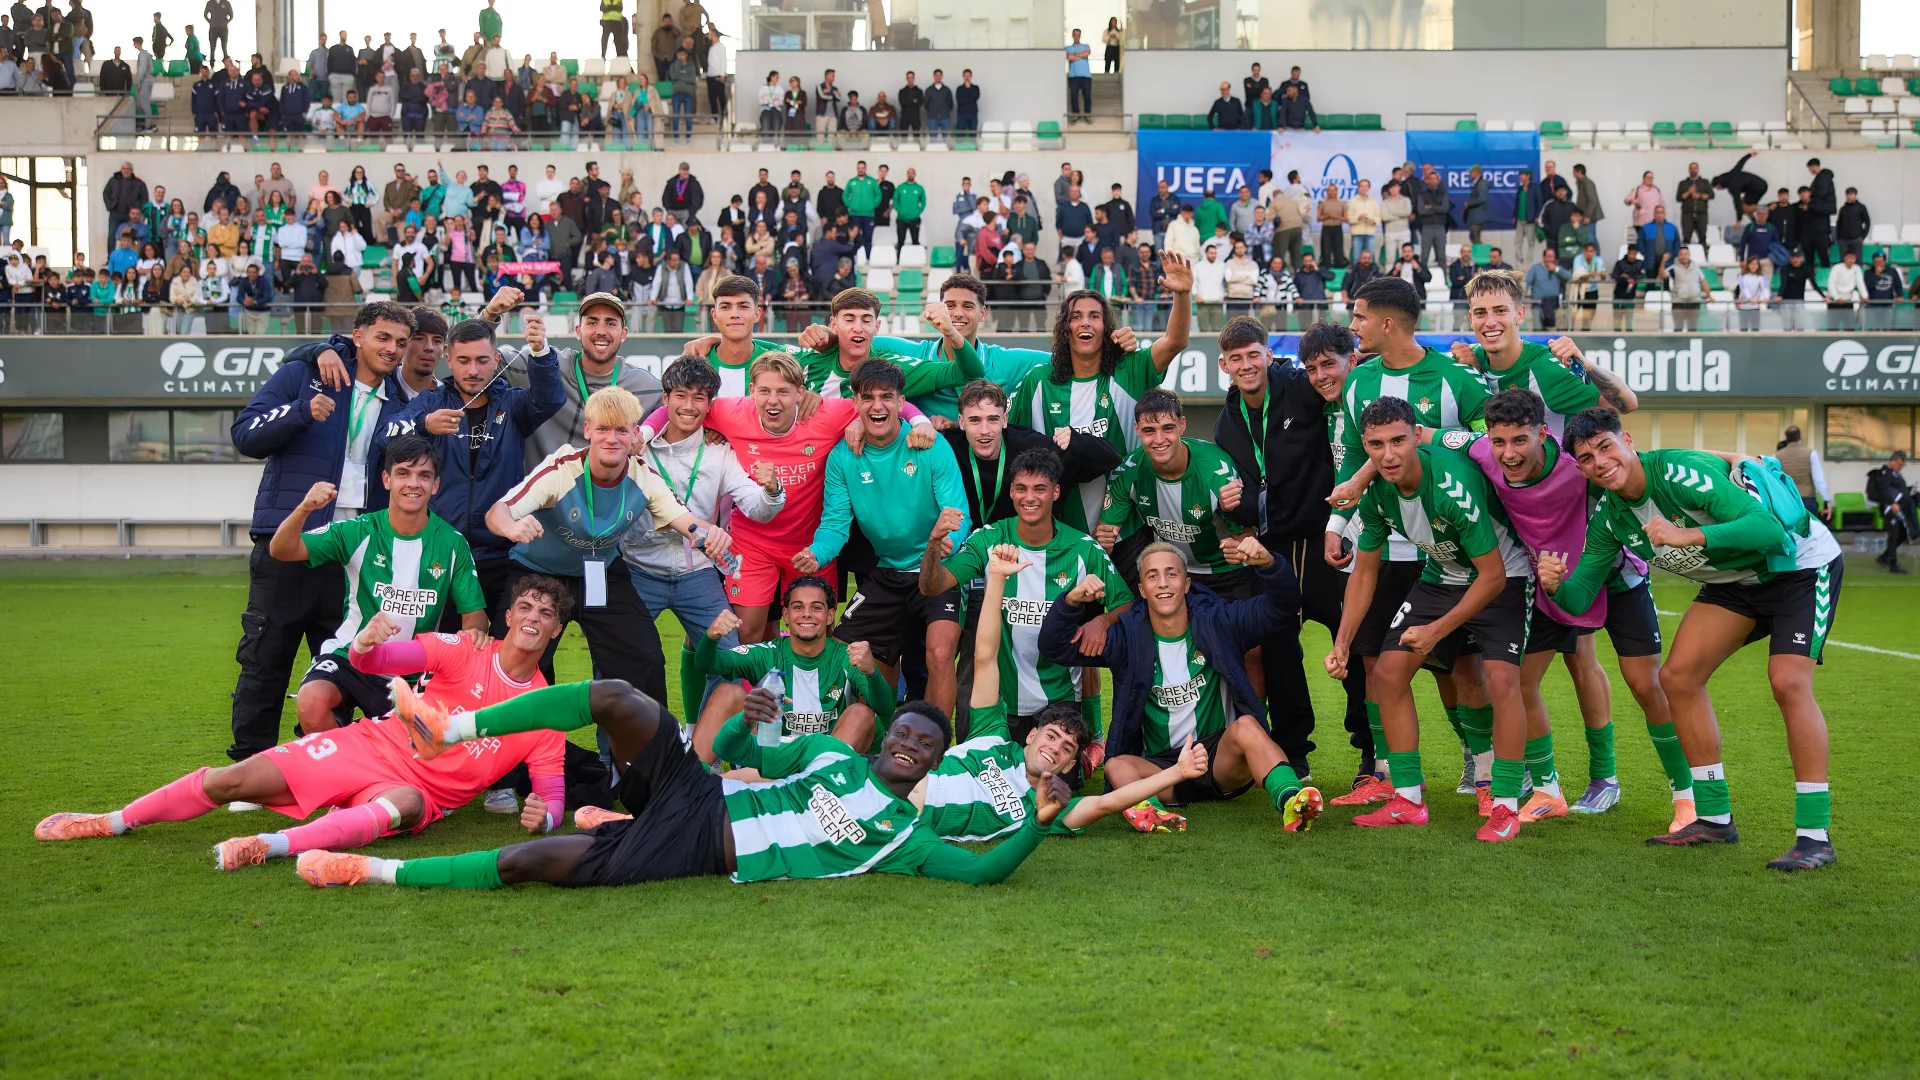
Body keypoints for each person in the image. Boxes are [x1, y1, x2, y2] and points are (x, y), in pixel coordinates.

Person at [35, 578, 574, 864]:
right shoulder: (462, 647)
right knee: (234, 780)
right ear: (508, 616)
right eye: (525, 606)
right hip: (367, 746)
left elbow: (550, 795)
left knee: (403, 806)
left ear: (556, 632)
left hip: (421, 794)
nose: (532, 617)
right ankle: (111, 820)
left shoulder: (547, 712)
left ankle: (267, 846)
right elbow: (381, 662)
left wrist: (543, 818)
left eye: (545, 614)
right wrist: (364, 645)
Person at [1539, 407, 1843, 871]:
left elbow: (1768, 528)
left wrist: (1687, 535)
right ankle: (1714, 817)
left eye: (1605, 447)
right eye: (1586, 457)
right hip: (1736, 584)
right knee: (1678, 679)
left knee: (1787, 682)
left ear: (1628, 441)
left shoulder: (1680, 472)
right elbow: (1580, 597)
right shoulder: (1611, 516)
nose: (1600, 462)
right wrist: (1556, 583)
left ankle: (1814, 836)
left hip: (1799, 568)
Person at [1433, 389, 1692, 825]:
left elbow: (1645, 462)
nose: (1509, 453)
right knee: (1519, 682)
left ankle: (1680, 794)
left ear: (1541, 433)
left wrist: (1739, 459)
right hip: (1549, 583)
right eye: (1500, 442)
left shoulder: (1581, 467)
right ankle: (1548, 790)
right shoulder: (1482, 450)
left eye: (1520, 441)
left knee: (1645, 684)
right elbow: (1421, 434)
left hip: (1615, 575)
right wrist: (1356, 481)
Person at [1326, 396, 1534, 841]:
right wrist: (1343, 642)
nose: (1389, 454)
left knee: (1499, 681)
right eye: (1377, 444)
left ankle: (1505, 805)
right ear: (1364, 445)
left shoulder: (1452, 484)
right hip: (1441, 575)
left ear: (1416, 436)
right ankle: (1408, 800)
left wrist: (1438, 631)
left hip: (1503, 574)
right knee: (1385, 675)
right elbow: (1364, 571)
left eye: (1399, 440)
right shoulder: (1377, 492)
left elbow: (1492, 576)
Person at [1323, 277, 1494, 803]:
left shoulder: (1454, 379)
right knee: (1377, 662)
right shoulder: (1359, 381)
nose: (1352, 327)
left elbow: (1490, 448)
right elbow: (1356, 455)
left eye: (1359, 317)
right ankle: (1384, 775)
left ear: (1387, 322)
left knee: (1460, 666)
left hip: (1451, 548)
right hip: (1380, 540)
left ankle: (1482, 768)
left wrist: (1435, 441)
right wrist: (1337, 525)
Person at [224, 302, 418, 765]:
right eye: (383, 337)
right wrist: (302, 412)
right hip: (290, 542)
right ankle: (252, 765)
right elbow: (245, 434)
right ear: (358, 336)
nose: (392, 349)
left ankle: (324, 763)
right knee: (266, 657)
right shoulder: (306, 375)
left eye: (400, 343)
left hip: (355, 552)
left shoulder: (401, 403)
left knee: (347, 666)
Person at [923, 542, 1214, 838]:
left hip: (906, 824)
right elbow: (984, 657)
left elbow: (1104, 804)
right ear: (1032, 735)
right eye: (1051, 736)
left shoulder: (1048, 808)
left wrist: (1176, 773)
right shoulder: (991, 735)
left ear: (1069, 766)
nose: (1053, 749)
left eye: (1065, 749)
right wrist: (996, 578)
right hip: (901, 783)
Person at [653, 351, 938, 646]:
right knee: (746, 633)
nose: (772, 400)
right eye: (764, 391)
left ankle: (808, 693)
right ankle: (760, 693)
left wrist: (919, 422)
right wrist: (646, 430)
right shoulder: (732, 412)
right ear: (752, 392)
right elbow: (675, 407)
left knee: (817, 634)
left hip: (811, 545)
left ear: (801, 393)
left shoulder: (826, 414)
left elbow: (881, 404)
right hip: (752, 543)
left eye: (783, 392)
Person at [1041, 534, 1321, 831]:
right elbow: (1055, 646)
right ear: (1142, 590)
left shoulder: (1221, 622)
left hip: (1218, 761)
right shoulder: (1127, 639)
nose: (1162, 583)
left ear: (1186, 584)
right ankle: (1157, 815)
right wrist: (1071, 602)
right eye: (1152, 576)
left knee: (1248, 726)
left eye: (1171, 574)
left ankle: (1292, 800)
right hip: (1163, 771)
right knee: (1116, 765)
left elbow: (1283, 608)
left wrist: (1268, 565)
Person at [486, 383, 732, 715]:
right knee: (518, 658)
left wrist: (711, 534)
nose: (611, 439)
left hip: (598, 573)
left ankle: (649, 758)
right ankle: (516, 753)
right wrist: (512, 527)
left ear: (635, 435)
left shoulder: (643, 476)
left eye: (621, 430)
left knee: (643, 657)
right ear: (588, 430)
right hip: (538, 574)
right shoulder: (561, 469)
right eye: (602, 429)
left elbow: (686, 521)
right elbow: (497, 512)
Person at [1212, 319, 1371, 779]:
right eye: (1236, 358)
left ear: (1268, 354)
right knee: (1280, 652)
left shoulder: (1301, 386)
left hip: (1326, 541)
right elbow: (1239, 491)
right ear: (1224, 365)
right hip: (1274, 550)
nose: (1246, 365)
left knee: (1355, 643)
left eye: (1253, 354)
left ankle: (1369, 751)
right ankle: (1293, 753)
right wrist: (1235, 508)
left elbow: (1348, 373)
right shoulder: (1227, 425)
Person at [268, 433, 489, 732]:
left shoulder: (453, 544)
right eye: (403, 473)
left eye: (424, 475)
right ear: (386, 479)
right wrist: (305, 508)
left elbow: (474, 620)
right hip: (351, 655)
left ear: (435, 485)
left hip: (415, 672)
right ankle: (341, 768)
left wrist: (464, 649)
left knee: (421, 748)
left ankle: (369, 744)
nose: (414, 483)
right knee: (311, 702)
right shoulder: (359, 531)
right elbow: (280, 549)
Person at [372, 312, 566, 636]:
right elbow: (384, 435)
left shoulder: (513, 404)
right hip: (445, 554)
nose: (473, 370)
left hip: (505, 553)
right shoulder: (431, 402)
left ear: (497, 360)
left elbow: (550, 399)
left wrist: (541, 352)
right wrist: (424, 425)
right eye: (463, 360)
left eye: (481, 360)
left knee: (510, 648)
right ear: (448, 359)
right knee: (446, 649)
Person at [790, 359, 967, 714]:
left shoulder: (929, 444)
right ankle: (880, 736)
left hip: (939, 567)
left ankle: (936, 748)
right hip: (886, 572)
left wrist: (950, 540)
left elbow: (957, 512)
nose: (878, 406)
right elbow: (836, 524)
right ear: (854, 404)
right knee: (843, 651)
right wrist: (817, 553)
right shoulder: (843, 456)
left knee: (941, 652)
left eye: (887, 397)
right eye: (867, 398)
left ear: (902, 403)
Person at [628, 355, 787, 720]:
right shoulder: (638, 446)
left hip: (697, 575)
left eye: (700, 397)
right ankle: (620, 758)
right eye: (681, 395)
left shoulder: (719, 451)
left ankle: (707, 749)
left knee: (731, 662)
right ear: (664, 398)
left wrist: (772, 491)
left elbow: (756, 508)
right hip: (638, 569)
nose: (689, 406)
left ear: (710, 404)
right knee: (623, 659)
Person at [1011, 254, 1192, 533]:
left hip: (1128, 526)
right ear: (1065, 329)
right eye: (1076, 317)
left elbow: (1174, 341)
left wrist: (1181, 295)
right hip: (1061, 532)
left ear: (1106, 328)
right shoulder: (1038, 381)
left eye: (1094, 316)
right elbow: (1005, 436)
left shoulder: (1128, 368)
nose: (1085, 323)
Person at [692, 579, 890, 757]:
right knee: (727, 692)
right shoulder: (767, 654)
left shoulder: (847, 656)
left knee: (861, 713)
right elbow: (706, 664)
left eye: (816, 608)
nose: (806, 614)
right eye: (798, 607)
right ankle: (691, 782)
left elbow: (884, 707)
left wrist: (871, 671)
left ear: (830, 616)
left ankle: (814, 782)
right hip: (773, 757)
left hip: (827, 764)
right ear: (786, 615)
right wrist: (711, 637)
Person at [492, 288, 663, 469]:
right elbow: (479, 360)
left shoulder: (643, 384)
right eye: (592, 322)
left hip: (605, 495)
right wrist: (489, 315)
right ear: (578, 330)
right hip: (540, 494)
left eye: (611, 323)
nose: (601, 331)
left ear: (624, 334)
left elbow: (676, 406)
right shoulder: (544, 365)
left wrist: (644, 433)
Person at [1865, 450, 1915, 574]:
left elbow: (1899, 489)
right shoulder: (1884, 474)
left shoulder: (1896, 475)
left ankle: (1884, 557)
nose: (1901, 467)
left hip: (1900, 509)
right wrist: (1892, 503)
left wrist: (1910, 492)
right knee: (1893, 535)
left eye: (1903, 465)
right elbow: (1885, 490)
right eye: (1899, 464)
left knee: (1902, 533)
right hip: (1889, 509)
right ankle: (1893, 564)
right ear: (1892, 461)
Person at [1773, 425, 1831, 521]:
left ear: (1786, 439)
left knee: (1789, 532)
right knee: (1809, 531)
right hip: (1807, 499)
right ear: (1801, 438)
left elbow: (1774, 479)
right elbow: (1818, 479)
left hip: (1787, 499)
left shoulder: (1777, 456)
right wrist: (1826, 500)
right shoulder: (1811, 453)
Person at [1064, 28, 1091, 123]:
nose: (1076, 36)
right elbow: (1069, 57)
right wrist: (1081, 55)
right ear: (1072, 36)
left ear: (1080, 36)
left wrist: (1075, 55)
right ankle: (1076, 114)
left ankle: (1088, 115)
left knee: (1087, 96)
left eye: (1078, 34)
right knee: (1074, 96)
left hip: (1086, 76)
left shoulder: (1086, 46)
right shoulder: (1068, 48)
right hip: (1073, 76)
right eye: (1075, 34)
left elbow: (1087, 53)